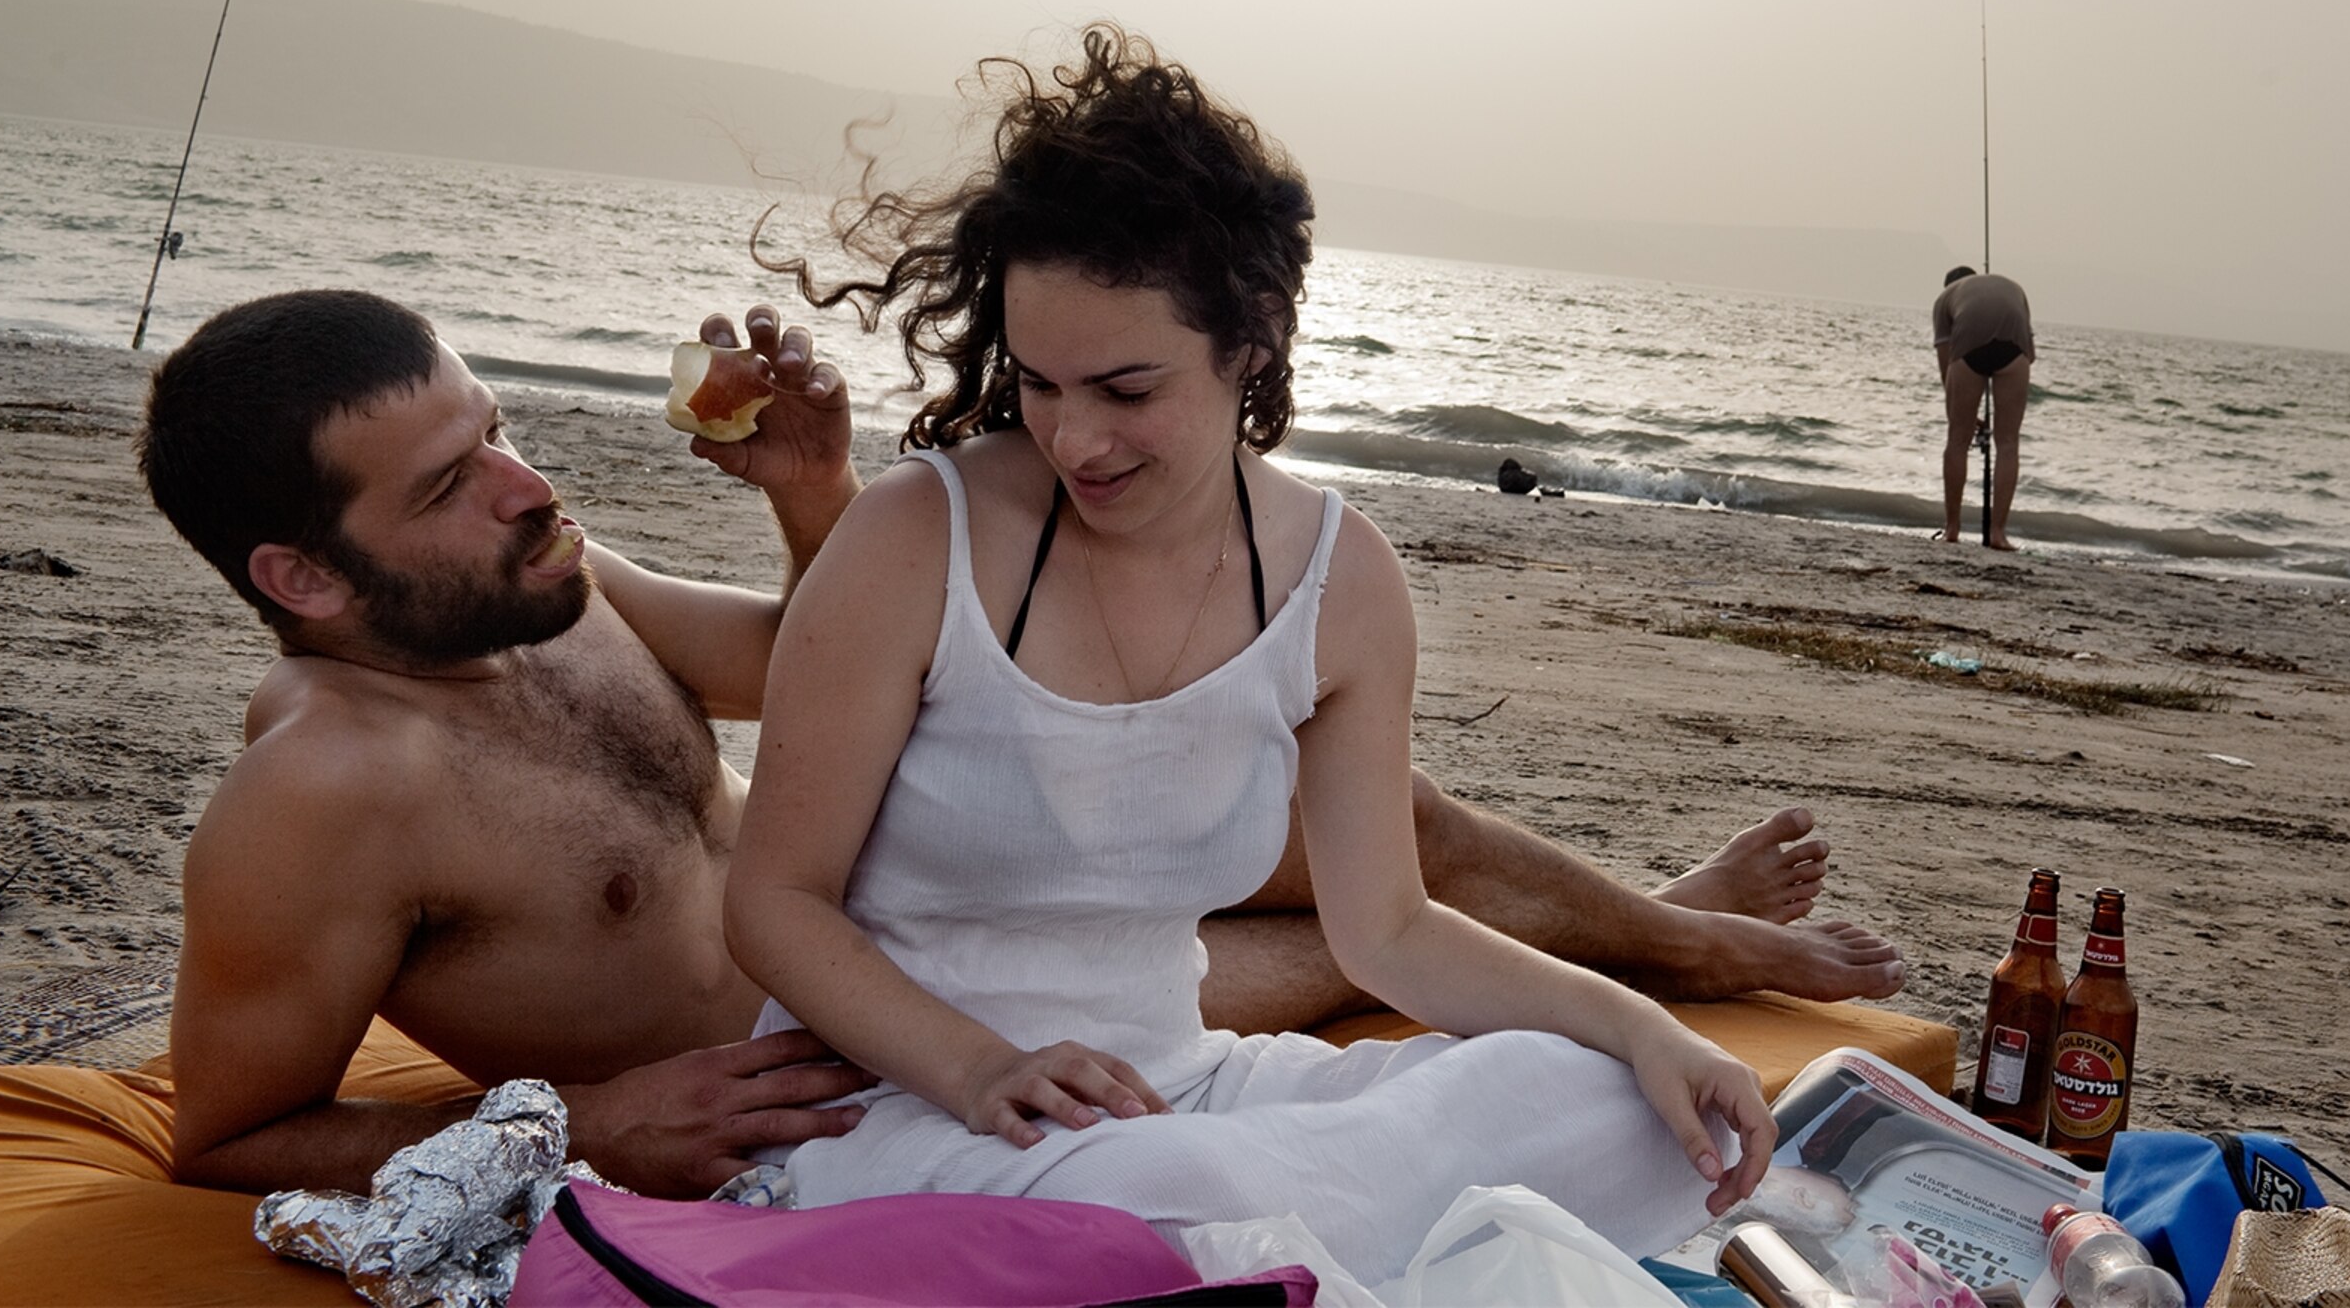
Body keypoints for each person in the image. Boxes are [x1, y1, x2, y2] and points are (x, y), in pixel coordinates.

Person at [138, 288, 1894, 1200]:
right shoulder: (321, 795)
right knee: (1281, 941)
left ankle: (1676, 930)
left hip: (902, 915)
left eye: (500, 433)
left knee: (1346, 809)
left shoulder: (536, 582)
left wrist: (815, 496)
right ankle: (1652, 937)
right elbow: (222, 1134)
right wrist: (583, 1120)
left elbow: (811, 669)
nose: (532, 487)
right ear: (305, 574)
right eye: (452, 482)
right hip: (849, 1060)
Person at [725, 30, 1779, 1281]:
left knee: (1609, 1095)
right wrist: (981, 1067)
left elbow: (1388, 930)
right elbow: (773, 900)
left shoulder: (1343, 581)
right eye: (1044, 382)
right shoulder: (916, 538)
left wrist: (1645, 1025)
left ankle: (1298, 1236)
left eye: (1125, 387)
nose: (1072, 436)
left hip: (1183, 1095)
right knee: (1191, 1202)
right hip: (910, 1111)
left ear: (1255, 337)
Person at [1932, 265, 2034, 549]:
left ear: (1949, 286)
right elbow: (2031, 355)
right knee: (2008, 442)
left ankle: (1952, 529)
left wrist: (1960, 410)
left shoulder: (1944, 300)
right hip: (2015, 349)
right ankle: (1998, 533)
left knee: (1957, 440)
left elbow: (1946, 364)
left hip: (1968, 350)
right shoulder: (2014, 287)